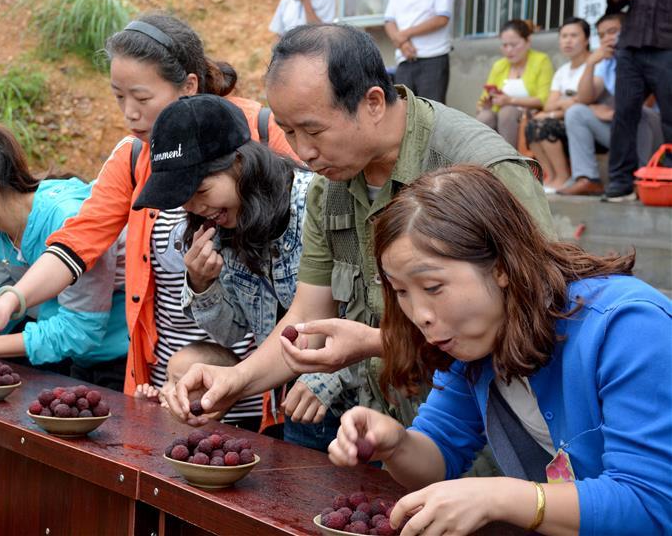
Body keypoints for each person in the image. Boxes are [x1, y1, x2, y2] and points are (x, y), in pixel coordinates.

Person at [164, 24, 554, 439]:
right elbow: (307, 314)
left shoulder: (482, 170)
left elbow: (539, 313)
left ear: (371, 103)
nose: (303, 152)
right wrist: (236, 381)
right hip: (396, 438)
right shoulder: (329, 186)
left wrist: (374, 341)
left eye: (312, 131)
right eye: (289, 132)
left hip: (495, 443)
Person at [0, 15, 297, 406]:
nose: (129, 113)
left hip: (266, 387)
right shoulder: (132, 157)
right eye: (119, 97)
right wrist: (9, 302)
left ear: (189, 86)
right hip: (167, 380)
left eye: (142, 98)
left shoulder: (260, 135)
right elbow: (78, 242)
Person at [328, 165, 672, 536]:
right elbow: (440, 454)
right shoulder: (472, 341)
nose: (419, 315)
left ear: (501, 268)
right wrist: (396, 444)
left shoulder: (628, 327)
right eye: (401, 291)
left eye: (432, 286)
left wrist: (499, 497)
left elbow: (649, 505)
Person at [131, 94, 338, 447]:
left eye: (201, 190)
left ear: (239, 164)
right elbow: (232, 333)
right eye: (184, 199)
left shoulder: (313, 203)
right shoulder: (218, 229)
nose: (195, 207)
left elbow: (364, 310)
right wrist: (201, 283)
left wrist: (331, 377)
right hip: (292, 404)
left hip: (357, 399)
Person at [0, 124, 130, 389]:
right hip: (74, 359)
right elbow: (5, 307)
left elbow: (80, 330)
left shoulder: (66, 218)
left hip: (123, 360)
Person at [559, 14, 663, 197]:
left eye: (613, 31)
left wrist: (616, 112)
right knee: (576, 112)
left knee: (641, 113)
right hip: (620, 133)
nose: (607, 38)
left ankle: (642, 177)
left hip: (652, 131)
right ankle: (588, 179)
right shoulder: (606, 62)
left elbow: (646, 101)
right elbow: (584, 99)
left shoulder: (645, 56)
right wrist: (590, 63)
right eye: (602, 35)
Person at [602, 0, 672, 202]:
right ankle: (620, 182)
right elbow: (615, 3)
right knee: (624, 114)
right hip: (631, 44)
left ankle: (666, 178)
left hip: (668, 44)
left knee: (671, 114)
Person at [383, 0, 455, 103]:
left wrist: (404, 35)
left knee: (431, 112)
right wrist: (402, 44)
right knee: (402, 111)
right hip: (404, 59)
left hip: (433, 58)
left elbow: (441, 18)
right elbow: (389, 20)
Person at [523, 17, 590, 192]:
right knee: (532, 125)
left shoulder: (593, 66)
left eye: (574, 35)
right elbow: (549, 105)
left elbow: (585, 101)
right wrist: (566, 102)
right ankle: (550, 176)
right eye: (564, 36)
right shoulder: (562, 71)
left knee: (545, 125)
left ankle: (563, 177)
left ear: (587, 39)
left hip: (583, 122)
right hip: (563, 118)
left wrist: (557, 108)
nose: (568, 40)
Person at [476, 20, 554, 148]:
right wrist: (486, 105)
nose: (509, 50)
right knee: (485, 116)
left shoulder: (541, 61)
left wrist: (510, 100)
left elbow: (544, 99)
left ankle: (509, 162)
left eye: (514, 45)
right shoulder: (499, 65)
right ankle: (477, 164)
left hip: (528, 115)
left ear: (528, 41)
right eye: (505, 45)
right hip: (499, 114)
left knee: (507, 112)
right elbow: (480, 103)